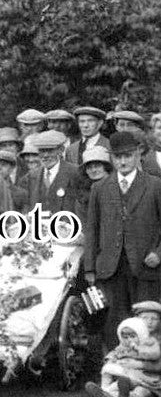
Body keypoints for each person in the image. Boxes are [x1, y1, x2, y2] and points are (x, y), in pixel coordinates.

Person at [83, 131, 161, 340]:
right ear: (111, 158)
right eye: (118, 157)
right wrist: (90, 268)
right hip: (109, 267)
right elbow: (92, 229)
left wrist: (158, 253)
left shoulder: (155, 185)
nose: (123, 161)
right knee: (112, 323)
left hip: (145, 267)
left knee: (146, 321)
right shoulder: (100, 188)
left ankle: (145, 368)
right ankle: (114, 366)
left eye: (128, 156)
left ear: (137, 155)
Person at [85, 316, 160, 397]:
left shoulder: (146, 350)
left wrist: (137, 363)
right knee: (108, 369)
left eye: (132, 336)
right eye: (125, 337)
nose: (129, 340)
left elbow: (152, 362)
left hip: (143, 381)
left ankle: (116, 395)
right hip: (124, 379)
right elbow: (113, 354)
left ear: (141, 335)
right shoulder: (121, 349)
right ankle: (108, 393)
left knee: (140, 393)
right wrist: (110, 360)